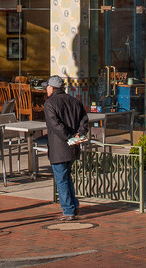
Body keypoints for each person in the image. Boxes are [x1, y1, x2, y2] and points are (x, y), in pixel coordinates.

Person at [43, 75, 88, 221]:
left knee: (61, 178)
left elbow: (55, 125)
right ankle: (72, 205)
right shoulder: (74, 101)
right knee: (66, 176)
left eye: (47, 87)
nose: (46, 90)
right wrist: (78, 134)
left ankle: (68, 209)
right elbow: (84, 120)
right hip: (72, 146)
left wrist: (70, 136)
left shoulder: (50, 103)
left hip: (59, 146)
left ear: (51, 88)